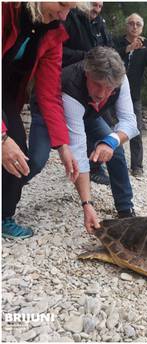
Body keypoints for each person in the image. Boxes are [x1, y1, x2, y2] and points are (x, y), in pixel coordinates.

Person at [28, 46, 139, 232]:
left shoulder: (120, 78)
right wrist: (87, 204)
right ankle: (5, 195)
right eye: (97, 84)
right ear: (87, 73)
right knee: (36, 160)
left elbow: (130, 122)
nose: (102, 93)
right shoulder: (71, 84)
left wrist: (109, 142)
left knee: (116, 149)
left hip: (88, 113)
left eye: (109, 87)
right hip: (49, 111)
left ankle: (125, 209)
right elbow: (78, 150)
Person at [2, 2, 79, 239]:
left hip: (8, 94)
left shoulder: (54, 32)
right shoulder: (7, 9)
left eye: (70, 9)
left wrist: (63, 146)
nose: (64, 14)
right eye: (62, 4)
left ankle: (4, 215)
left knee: (19, 155)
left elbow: (49, 94)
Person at [29, 1, 114, 185]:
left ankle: (123, 204)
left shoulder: (101, 27)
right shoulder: (66, 19)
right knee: (36, 160)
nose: (96, 9)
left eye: (100, 6)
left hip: (85, 95)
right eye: (93, 4)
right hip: (64, 88)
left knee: (109, 137)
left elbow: (111, 54)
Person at [114, 13, 147, 177]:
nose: (134, 27)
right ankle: (114, 164)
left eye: (138, 24)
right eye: (131, 23)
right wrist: (128, 49)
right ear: (126, 26)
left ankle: (137, 166)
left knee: (135, 130)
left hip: (134, 95)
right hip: (111, 93)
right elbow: (108, 55)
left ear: (142, 28)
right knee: (111, 129)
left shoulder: (144, 49)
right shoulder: (116, 42)